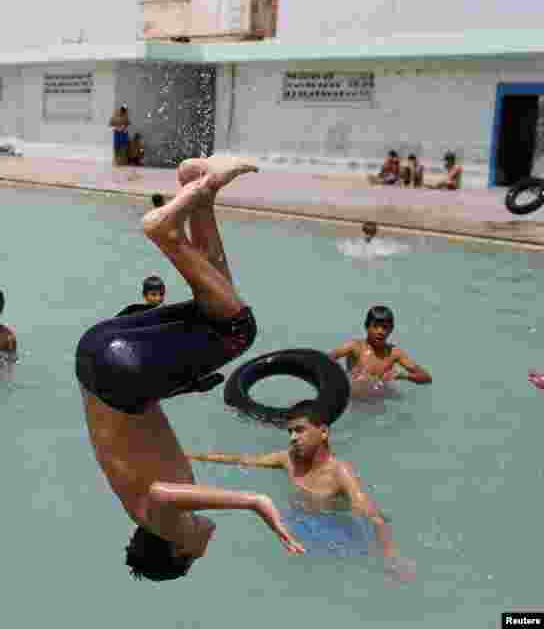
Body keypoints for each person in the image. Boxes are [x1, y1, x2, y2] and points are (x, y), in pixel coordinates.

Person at [76, 156, 305, 583]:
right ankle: (201, 192)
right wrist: (178, 386)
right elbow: (126, 434)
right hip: (96, 358)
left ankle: (165, 232)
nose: (204, 549)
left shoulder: (164, 523)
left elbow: (162, 494)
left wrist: (254, 501)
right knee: (216, 306)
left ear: (180, 552)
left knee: (238, 329)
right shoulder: (135, 503)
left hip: (119, 376)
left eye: (196, 558)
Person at [186, 400, 415, 582]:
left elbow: (370, 514)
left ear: (323, 432)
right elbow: (243, 460)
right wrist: (194, 456)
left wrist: (391, 556)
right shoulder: (288, 459)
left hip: (335, 529)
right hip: (296, 523)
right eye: (290, 432)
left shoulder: (339, 471)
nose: (293, 438)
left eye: (300, 430)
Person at [328, 306, 432, 397]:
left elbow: (426, 377)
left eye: (385, 327)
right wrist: (338, 377)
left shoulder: (394, 353)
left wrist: (403, 376)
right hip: (355, 401)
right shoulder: (354, 347)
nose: (380, 331)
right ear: (367, 326)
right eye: (375, 326)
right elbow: (324, 360)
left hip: (380, 402)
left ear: (391, 329)